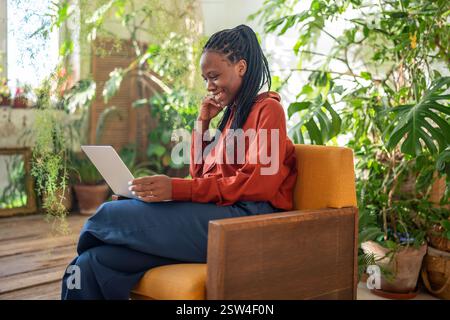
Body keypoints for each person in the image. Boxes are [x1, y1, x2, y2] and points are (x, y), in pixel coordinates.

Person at [61, 24, 297, 300]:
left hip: (244, 223)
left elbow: (261, 186)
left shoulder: (268, 109)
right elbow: (199, 173)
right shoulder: (233, 115)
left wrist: (176, 190)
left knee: (108, 215)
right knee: (89, 264)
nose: (209, 86)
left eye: (214, 76)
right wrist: (203, 122)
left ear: (241, 67)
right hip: (216, 214)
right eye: (205, 79)